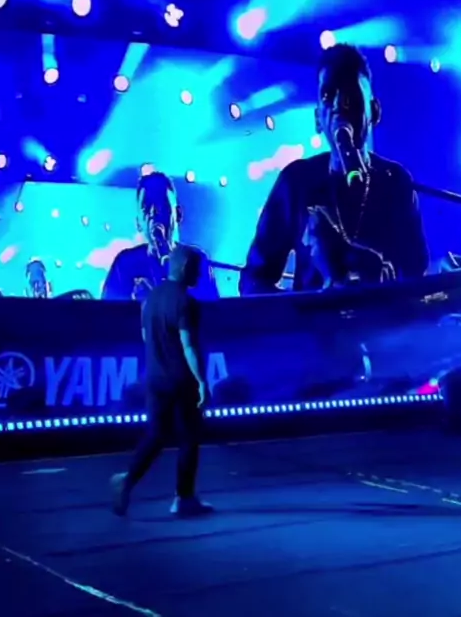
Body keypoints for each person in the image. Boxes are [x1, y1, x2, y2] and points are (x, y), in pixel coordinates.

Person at [240, 43, 429, 294]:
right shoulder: (296, 181)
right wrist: (305, 307)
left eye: (351, 95)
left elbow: (415, 279)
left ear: (374, 111)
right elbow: (253, 280)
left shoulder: (395, 181)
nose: (340, 105)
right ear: (318, 119)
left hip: (380, 319)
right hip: (314, 320)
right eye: (328, 96)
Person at [110, 243, 213, 517]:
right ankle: (184, 498)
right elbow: (189, 346)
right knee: (189, 437)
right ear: (185, 267)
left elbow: (147, 337)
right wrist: (202, 381)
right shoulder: (186, 303)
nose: (199, 275)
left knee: (156, 435)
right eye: (197, 269)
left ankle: (127, 479)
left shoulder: (150, 299)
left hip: (155, 379)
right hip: (181, 380)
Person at [102, 170, 218, 302]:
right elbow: (107, 311)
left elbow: (211, 311)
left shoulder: (195, 260)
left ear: (178, 214)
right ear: (138, 223)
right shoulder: (125, 264)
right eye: (146, 208)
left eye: (162, 205)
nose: (153, 213)